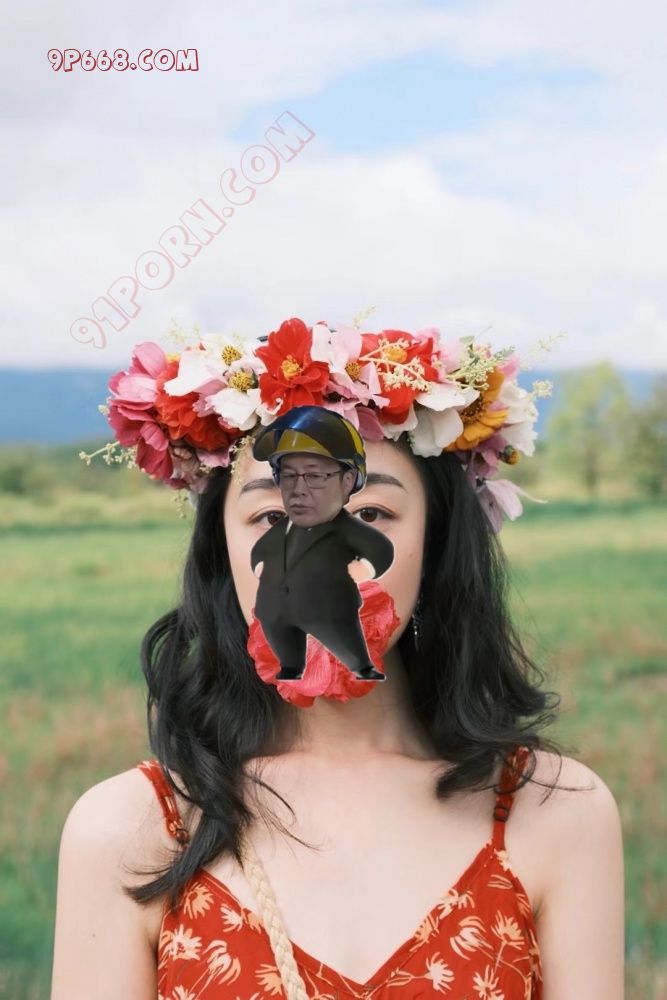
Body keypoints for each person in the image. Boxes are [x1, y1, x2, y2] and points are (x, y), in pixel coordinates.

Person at [56, 318, 625, 998]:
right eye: (272, 516)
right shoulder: (131, 828)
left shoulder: (553, 811)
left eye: (372, 513)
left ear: (438, 544)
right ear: (222, 553)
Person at [250, 405, 394, 682]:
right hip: (276, 610)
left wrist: (364, 569)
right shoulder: (281, 529)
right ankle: (291, 667)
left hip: (329, 609)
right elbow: (263, 549)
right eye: (288, 476)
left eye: (314, 476)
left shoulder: (345, 529)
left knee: (346, 643)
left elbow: (380, 548)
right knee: (286, 653)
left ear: (347, 481)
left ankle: (362, 667)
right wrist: (260, 565)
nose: (298, 490)